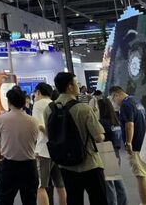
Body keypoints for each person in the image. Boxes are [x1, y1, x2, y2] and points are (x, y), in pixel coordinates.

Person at [45, 72, 106, 205]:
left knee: (74, 199)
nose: (78, 85)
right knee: (98, 198)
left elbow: (50, 134)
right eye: (76, 83)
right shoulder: (83, 108)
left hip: (65, 164)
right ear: (70, 87)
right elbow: (98, 137)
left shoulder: (49, 109)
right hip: (89, 162)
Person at [109, 85, 146, 205]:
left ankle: (144, 203)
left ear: (116, 95)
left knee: (141, 175)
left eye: (113, 99)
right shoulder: (136, 100)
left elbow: (129, 125)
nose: (114, 103)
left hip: (136, 145)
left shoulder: (125, 104)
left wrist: (128, 142)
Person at [0, 86, 39, 205]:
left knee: (4, 200)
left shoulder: (0, 119)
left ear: (9, 102)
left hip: (9, 166)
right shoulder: (33, 120)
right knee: (30, 200)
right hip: (29, 166)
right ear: (24, 102)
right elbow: (34, 141)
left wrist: (2, 142)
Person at [32, 83, 66, 205]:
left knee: (41, 186)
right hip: (58, 150)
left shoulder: (38, 104)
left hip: (44, 150)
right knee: (60, 185)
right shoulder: (55, 104)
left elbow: (40, 126)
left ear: (38, 92)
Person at [97, 97, 128, 205]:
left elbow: (99, 138)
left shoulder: (102, 122)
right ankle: (123, 202)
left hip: (106, 152)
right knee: (118, 181)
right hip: (116, 152)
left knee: (109, 183)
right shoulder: (115, 120)